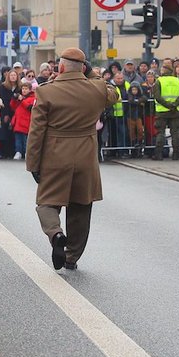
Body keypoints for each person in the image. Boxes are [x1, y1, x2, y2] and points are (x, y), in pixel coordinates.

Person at [26, 47, 119, 270]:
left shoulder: (47, 91)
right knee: (81, 207)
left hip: (56, 155)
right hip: (86, 156)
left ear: (61, 67)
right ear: (84, 68)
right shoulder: (96, 89)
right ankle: (71, 257)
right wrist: (92, 74)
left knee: (46, 203)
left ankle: (56, 234)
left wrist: (33, 164)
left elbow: (36, 132)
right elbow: (113, 94)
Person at [152, 61, 179, 160]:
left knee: (160, 132)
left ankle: (158, 154)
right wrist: (174, 104)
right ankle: (176, 154)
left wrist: (167, 105)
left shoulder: (159, 81)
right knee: (175, 133)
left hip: (162, 111)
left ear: (164, 70)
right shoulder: (178, 81)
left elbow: (157, 96)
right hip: (175, 111)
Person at [9, 81, 35, 159]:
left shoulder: (32, 98)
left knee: (26, 140)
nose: (24, 90)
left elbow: (29, 108)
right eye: (23, 89)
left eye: (26, 89)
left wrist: (22, 100)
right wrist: (14, 99)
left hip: (26, 122)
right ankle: (18, 152)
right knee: (18, 139)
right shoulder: (20, 98)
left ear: (30, 90)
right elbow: (13, 107)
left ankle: (27, 152)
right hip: (18, 122)